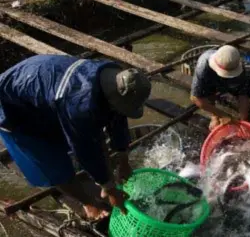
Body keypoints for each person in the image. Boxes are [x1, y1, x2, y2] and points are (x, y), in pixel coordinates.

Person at [0, 55, 152, 219]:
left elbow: (118, 118)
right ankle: (89, 204)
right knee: (53, 166)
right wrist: (109, 188)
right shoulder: (78, 105)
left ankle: (98, 178)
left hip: (44, 90)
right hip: (10, 106)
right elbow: (84, 147)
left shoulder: (113, 76)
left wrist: (124, 161)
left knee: (91, 137)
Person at [190, 46, 250, 130]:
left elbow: (243, 93)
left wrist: (243, 121)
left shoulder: (236, 64)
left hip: (232, 79)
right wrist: (222, 115)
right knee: (207, 90)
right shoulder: (203, 67)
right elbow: (196, 98)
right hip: (210, 78)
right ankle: (214, 116)